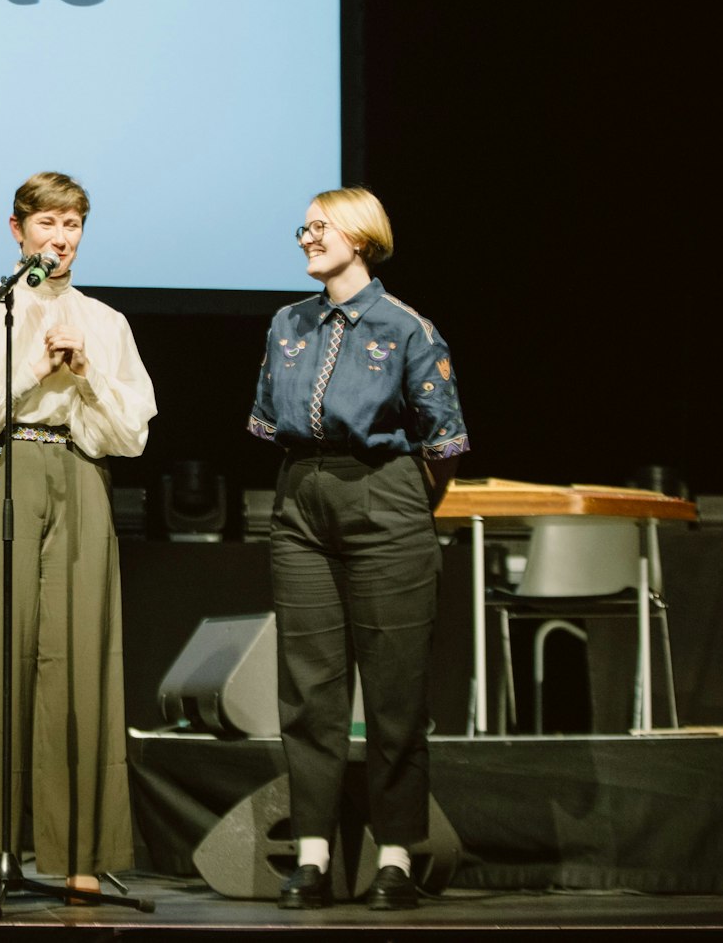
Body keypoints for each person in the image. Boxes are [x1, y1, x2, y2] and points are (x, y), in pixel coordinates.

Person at [245, 186, 469, 911]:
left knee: (395, 688)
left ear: (361, 236)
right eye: (303, 228)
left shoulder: (406, 327)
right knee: (310, 687)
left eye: (321, 226)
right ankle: (313, 854)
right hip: (300, 498)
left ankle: (396, 854)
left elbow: (444, 442)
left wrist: (401, 506)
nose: (308, 238)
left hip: (387, 497)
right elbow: (266, 419)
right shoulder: (287, 322)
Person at [0, 172, 157, 899]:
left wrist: (86, 367)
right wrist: (33, 363)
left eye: (72, 226)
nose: (59, 239)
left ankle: (79, 852)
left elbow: (129, 434)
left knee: (78, 662)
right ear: (17, 230)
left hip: (78, 472)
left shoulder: (106, 320)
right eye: (47, 224)